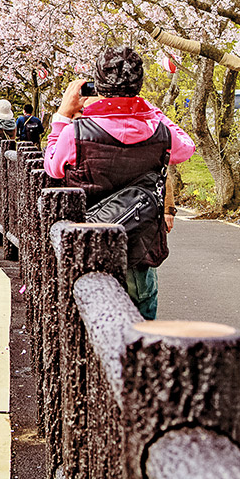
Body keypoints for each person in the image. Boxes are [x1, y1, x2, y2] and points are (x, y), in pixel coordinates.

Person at [44, 45, 194, 320]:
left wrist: (63, 115)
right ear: (138, 85)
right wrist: (148, 109)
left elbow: (52, 167)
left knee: (88, 325)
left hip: (87, 242)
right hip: (140, 246)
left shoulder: (76, 133)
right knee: (140, 328)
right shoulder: (156, 129)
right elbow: (186, 147)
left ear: (98, 86)